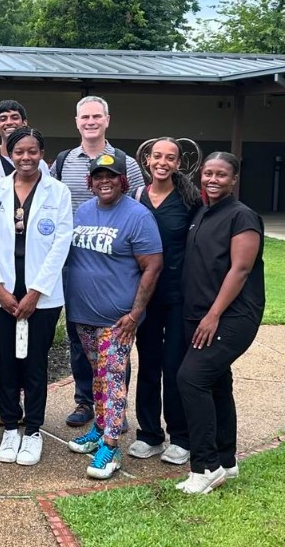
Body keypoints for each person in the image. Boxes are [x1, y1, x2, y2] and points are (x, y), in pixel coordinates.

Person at [49, 96, 145, 429]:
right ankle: (85, 401)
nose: (90, 121)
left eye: (96, 116)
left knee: (116, 347)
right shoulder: (63, 162)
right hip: (74, 265)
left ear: (107, 119)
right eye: (84, 117)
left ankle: (115, 407)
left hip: (114, 265)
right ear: (76, 122)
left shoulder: (126, 162)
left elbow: (139, 204)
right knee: (80, 339)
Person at [65, 153, 162, 479]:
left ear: (123, 180)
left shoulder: (138, 216)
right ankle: (101, 428)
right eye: (99, 176)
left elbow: (152, 266)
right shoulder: (83, 210)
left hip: (117, 320)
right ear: (89, 182)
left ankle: (111, 446)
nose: (105, 182)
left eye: (112, 176)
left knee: (113, 380)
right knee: (97, 375)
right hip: (83, 315)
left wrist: (135, 314)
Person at [0, 127, 72, 466]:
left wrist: (35, 292)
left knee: (34, 363)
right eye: (19, 152)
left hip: (42, 297)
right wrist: (0, 290)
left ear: (41, 153)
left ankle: (32, 430)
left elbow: (61, 243)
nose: (26, 157)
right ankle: (10, 428)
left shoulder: (57, 192)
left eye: (33, 151)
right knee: (6, 362)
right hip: (1, 296)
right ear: (9, 153)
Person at [175, 152, 264, 494]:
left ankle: (206, 466)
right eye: (208, 174)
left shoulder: (242, 217)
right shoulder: (202, 211)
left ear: (233, 180)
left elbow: (240, 270)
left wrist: (213, 315)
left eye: (221, 175)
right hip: (200, 314)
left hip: (232, 317)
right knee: (216, 382)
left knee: (191, 379)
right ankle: (227, 460)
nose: (213, 180)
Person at [127, 138, 202, 466]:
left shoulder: (190, 199)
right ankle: (149, 434)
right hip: (145, 298)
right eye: (157, 156)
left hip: (176, 298)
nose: (162, 162)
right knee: (148, 366)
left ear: (178, 162)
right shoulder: (138, 196)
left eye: (169, 158)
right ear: (147, 159)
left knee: (174, 367)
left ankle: (181, 437)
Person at [0, 100, 49, 180]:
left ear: (24, 123)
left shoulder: (40, 164)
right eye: (3, 119)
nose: (9, 122)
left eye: (14, 118)